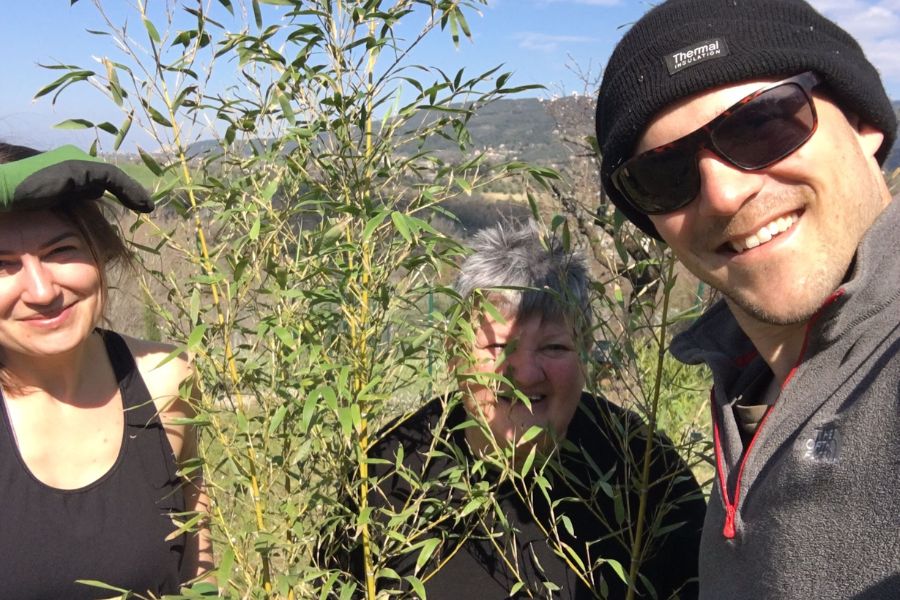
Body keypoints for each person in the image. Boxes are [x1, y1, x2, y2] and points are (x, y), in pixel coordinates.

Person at [594, 1, 899, 598]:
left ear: (865, 125)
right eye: (665, 175)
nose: (725, 193)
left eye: (762, 123)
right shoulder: (745, 388)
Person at [346, 221, 705, 599]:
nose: (524, 374)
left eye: (553, 348)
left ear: (586, 353)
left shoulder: (647, 471)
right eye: (497, 347)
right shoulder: (386, 476)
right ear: (455, 354)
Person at [0, 143, 213, 598]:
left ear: (99, 251)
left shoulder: (165, 379)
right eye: (2, 266)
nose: (41, 291)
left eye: (60, 250)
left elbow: (196, 539)